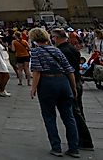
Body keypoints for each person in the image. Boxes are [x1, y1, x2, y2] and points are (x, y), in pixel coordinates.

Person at [29, 27, 80, 158]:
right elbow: (69, 70)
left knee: (49, 116)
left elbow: (37, 72)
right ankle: (74, 148)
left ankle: (56, 147)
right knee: (69, 116)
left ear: (34, 39)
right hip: (63, 82)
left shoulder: (36, 52)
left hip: (47, 84)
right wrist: (73, 87)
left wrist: (33, 88)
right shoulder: (56, 50)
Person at [52, 28, 94, 152]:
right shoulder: (72, 48)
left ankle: (86, 141)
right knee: (78, 111)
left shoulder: (61, 51)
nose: (52, 40)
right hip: (77, 81)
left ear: (57, 38)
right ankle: (81, 139)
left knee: (74, 113)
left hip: (71, 83)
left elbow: (65, 69)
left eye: (53, 37)